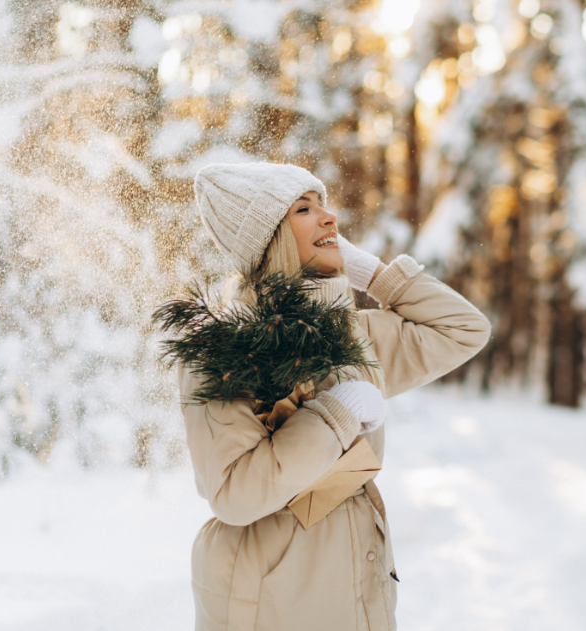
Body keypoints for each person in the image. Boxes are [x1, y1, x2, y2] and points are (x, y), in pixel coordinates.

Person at [180, 162, 491, 631]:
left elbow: (465, 329)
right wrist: (334, 416)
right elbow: (235, 494)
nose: (330, 218)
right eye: (305, 209)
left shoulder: (353, 335)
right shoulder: (227, 347)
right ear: (269, 238)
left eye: (324, 205)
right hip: (272, 594)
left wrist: (374, 274)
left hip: (355, 580)